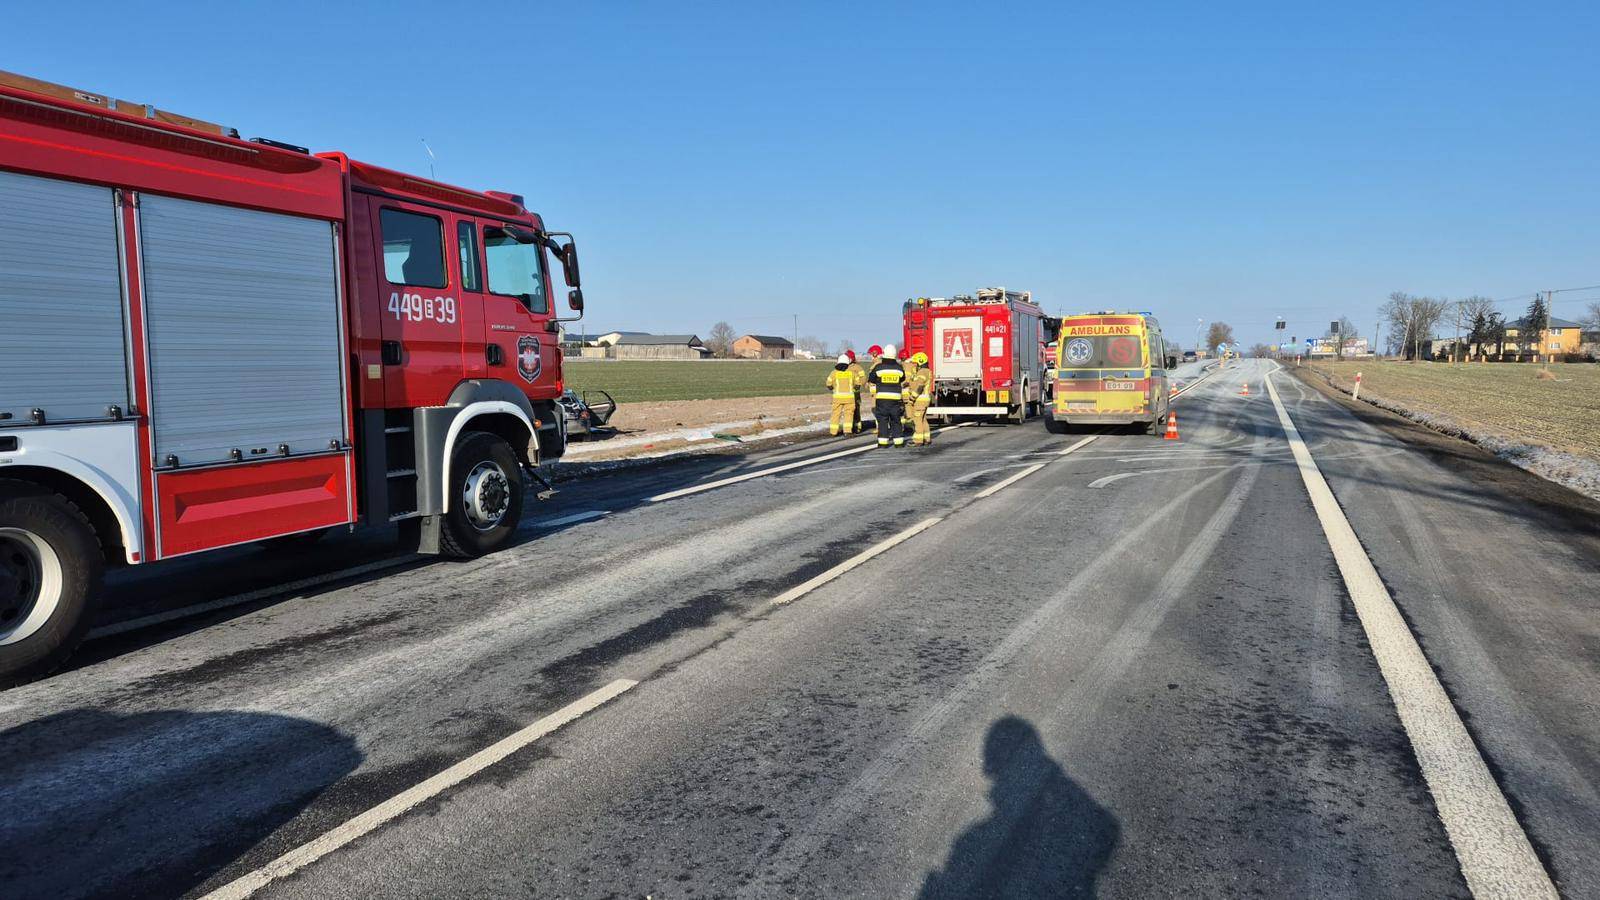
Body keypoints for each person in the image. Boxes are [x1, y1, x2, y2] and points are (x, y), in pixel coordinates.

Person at [868, 344, 908, 448]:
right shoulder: (899, 368)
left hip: (882, 399)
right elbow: (903, 378)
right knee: (896, 420)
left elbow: (871, 379)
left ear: (884, 354)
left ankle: (883, 443)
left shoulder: (878, 367)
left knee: (883, 420)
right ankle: (898, 443)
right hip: (895, 399)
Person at [824, 353, 858, 435]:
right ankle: (847, 431)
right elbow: (857, 384)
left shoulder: (834, 373)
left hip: (837, 398)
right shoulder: (852, 373)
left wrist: (833, 388)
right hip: (849, 398)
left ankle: (833, 432)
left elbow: (828, 384)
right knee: (848, 414)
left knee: (835, 414)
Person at [906, 351, 933, 445]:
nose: (915, 365)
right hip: (925, 399)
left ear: (920, 362)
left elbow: (919, 386)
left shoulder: (922, 372)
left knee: (917, 420)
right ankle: (926, 438)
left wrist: (912, 398)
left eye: (916, 363)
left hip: (920, 400)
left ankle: (918, 440)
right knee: (923, 419)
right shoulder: (927, 371)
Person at [845, 349, 867, 435]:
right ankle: (848, 426)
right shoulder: (844, 367)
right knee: (848, 411)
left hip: (855, 393)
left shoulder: (857, 367)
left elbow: (863, 378)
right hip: (846, 393)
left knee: (856, 409)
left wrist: (860, 384)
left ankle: (857, 426)